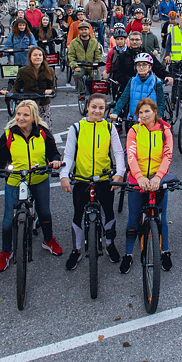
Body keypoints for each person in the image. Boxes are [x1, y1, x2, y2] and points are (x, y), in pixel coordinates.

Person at [0, 98, 62, 269]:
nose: (20, 118)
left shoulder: (43, 133)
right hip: (15, 179)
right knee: (8, 219)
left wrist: (55, 161)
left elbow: (54, 154)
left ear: (33, 117)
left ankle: (48, 240)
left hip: (38, 177)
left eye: (26, 115)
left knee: (44, 212)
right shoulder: (9, 134)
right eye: (18, 114)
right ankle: (6, 251)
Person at [60, 94, 126, 269]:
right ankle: (77, 250)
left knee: (108, 212)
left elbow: (118, 153)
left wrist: (119, 172)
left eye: (101, 108)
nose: (97, 111)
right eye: (94, 107)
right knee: (78, 213)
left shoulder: (109, 128)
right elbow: (68, 155)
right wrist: (64, 175)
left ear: (105, 110)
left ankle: (110, 244)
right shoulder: (76, 128)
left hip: (104, 177)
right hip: (82, 178)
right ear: (87, 107)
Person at [111, 53, 165, 121]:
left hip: (151, 120)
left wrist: (158, 117)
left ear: (150, 67)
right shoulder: (132, 81)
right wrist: (115, 112)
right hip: (134, 119)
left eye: (144, 64)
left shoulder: (157, 82)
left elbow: (161, 103)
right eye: (138, 65)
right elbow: (123, 98)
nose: (141, 67)